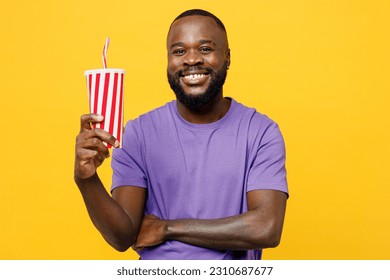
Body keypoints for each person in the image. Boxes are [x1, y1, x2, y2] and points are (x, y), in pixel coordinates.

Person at [74, 9, 288, 260]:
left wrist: (167, 228)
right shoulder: (137, 134)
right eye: (179, 51)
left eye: (205, 49)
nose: (191, 60)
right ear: (168, 60)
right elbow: (123, 237)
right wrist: (86, 180)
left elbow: (267, 227)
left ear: (227, 57)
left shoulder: (261, 132)